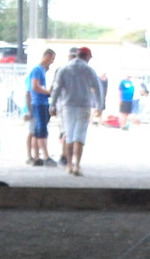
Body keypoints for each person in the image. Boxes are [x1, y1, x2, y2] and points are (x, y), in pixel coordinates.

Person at [49, 46, 102, 175]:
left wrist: (52, 105)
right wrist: (100, 106)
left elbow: (57, 88)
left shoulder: (64, 69)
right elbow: (97, 88)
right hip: (84, 106)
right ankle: (77, 165)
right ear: (87, 56)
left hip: (67, 106)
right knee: (79, 136)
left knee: (69, 136)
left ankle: (69, 165)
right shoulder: (89, 70)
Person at [25, 48, 56, 165]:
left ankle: (36, 157)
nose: (52, 62)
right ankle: (44, 156)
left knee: (37, 130)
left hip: (40, 102)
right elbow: (35, 87)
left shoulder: (41, 70)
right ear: (48, 56)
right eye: (52, 59)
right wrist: (48, 92)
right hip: (39, 102)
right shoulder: (37, 70)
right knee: (41, 129)